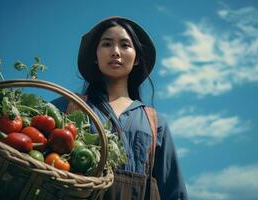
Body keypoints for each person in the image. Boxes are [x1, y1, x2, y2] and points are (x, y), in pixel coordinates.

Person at [52, 16, 188, 200]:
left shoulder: (155, 122)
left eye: (125, 45)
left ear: (137, 58)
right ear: (95, 56)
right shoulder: (67, 106)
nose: (116, 52)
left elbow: (173, 190)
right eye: (107, 44)